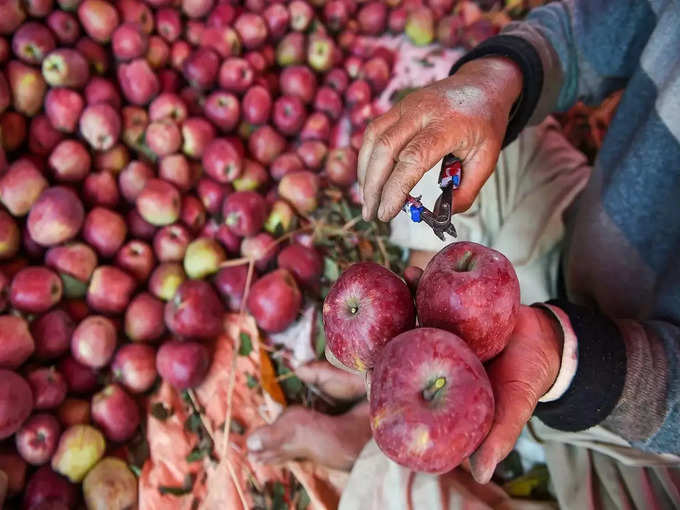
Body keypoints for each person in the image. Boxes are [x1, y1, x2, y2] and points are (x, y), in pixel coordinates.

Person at [249, 0, 680, 507]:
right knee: (455, 158)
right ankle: (391, 391)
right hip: (585, 247)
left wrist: (571, 362)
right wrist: (499, 79)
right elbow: (605, 25)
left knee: (401, 497)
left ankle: (381, 440)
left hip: (638, 423)